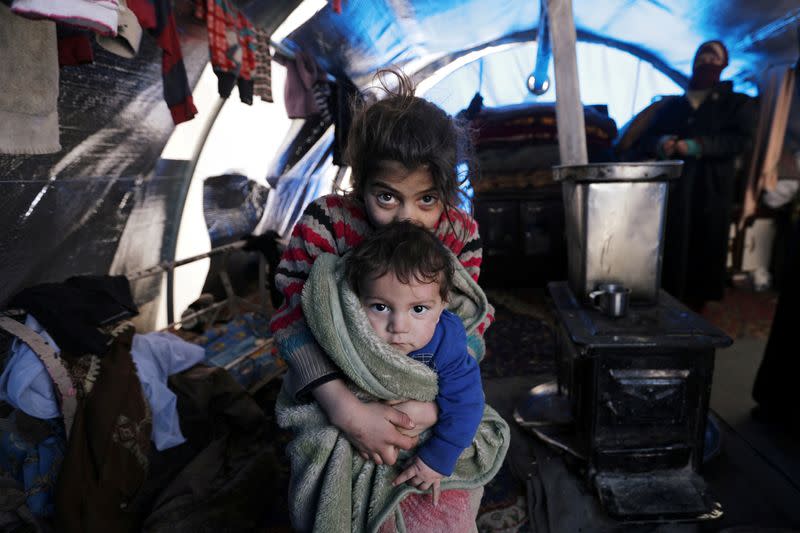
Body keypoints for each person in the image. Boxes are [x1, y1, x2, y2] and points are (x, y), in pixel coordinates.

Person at [269, 68, 493, 467]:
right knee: (326, 459)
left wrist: (432, 409)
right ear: (360, 180)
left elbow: (469, 322)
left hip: (431, 389)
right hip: (332, 385)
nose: (406, 217)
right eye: (387, 197)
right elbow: (293, 316)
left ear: (448, 190)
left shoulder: (459, 234)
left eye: (427, 199)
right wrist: (347, 411)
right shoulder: (329, 223)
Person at [343, 221, 485, 505]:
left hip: (421, 436)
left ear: (443, 303)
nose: (399, 326)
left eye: (418, 309)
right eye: (380, 307)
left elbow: (467, 402)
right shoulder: (350, 331)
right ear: (358, 301)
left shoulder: (446, 340)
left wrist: (439, 457)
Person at [628, 40, 757, 310]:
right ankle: (668, 296)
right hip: (677, 185)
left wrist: (700, 146)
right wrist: (662, 143)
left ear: (723, 65)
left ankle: (700, 302)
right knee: (674, 239)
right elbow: (647, 138)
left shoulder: (735, 104)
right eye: (703, 58)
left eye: (714, 59)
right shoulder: (674, 105)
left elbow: (740, 141)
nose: (707, 64)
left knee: (705, 239)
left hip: (711, 185)